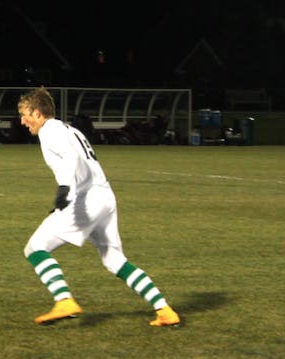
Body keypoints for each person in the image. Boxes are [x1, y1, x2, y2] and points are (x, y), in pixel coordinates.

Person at [16, 86, 181, 327]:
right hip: (104, 196)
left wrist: (64, 190)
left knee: (35, 247)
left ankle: (64, 300)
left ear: (38, 113)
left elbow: (70, 158)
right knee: (114, 259)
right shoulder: (68, 129)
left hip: (86, 199)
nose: (22, 121)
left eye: (25, 114)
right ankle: (164, 309)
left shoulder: (49, 130)